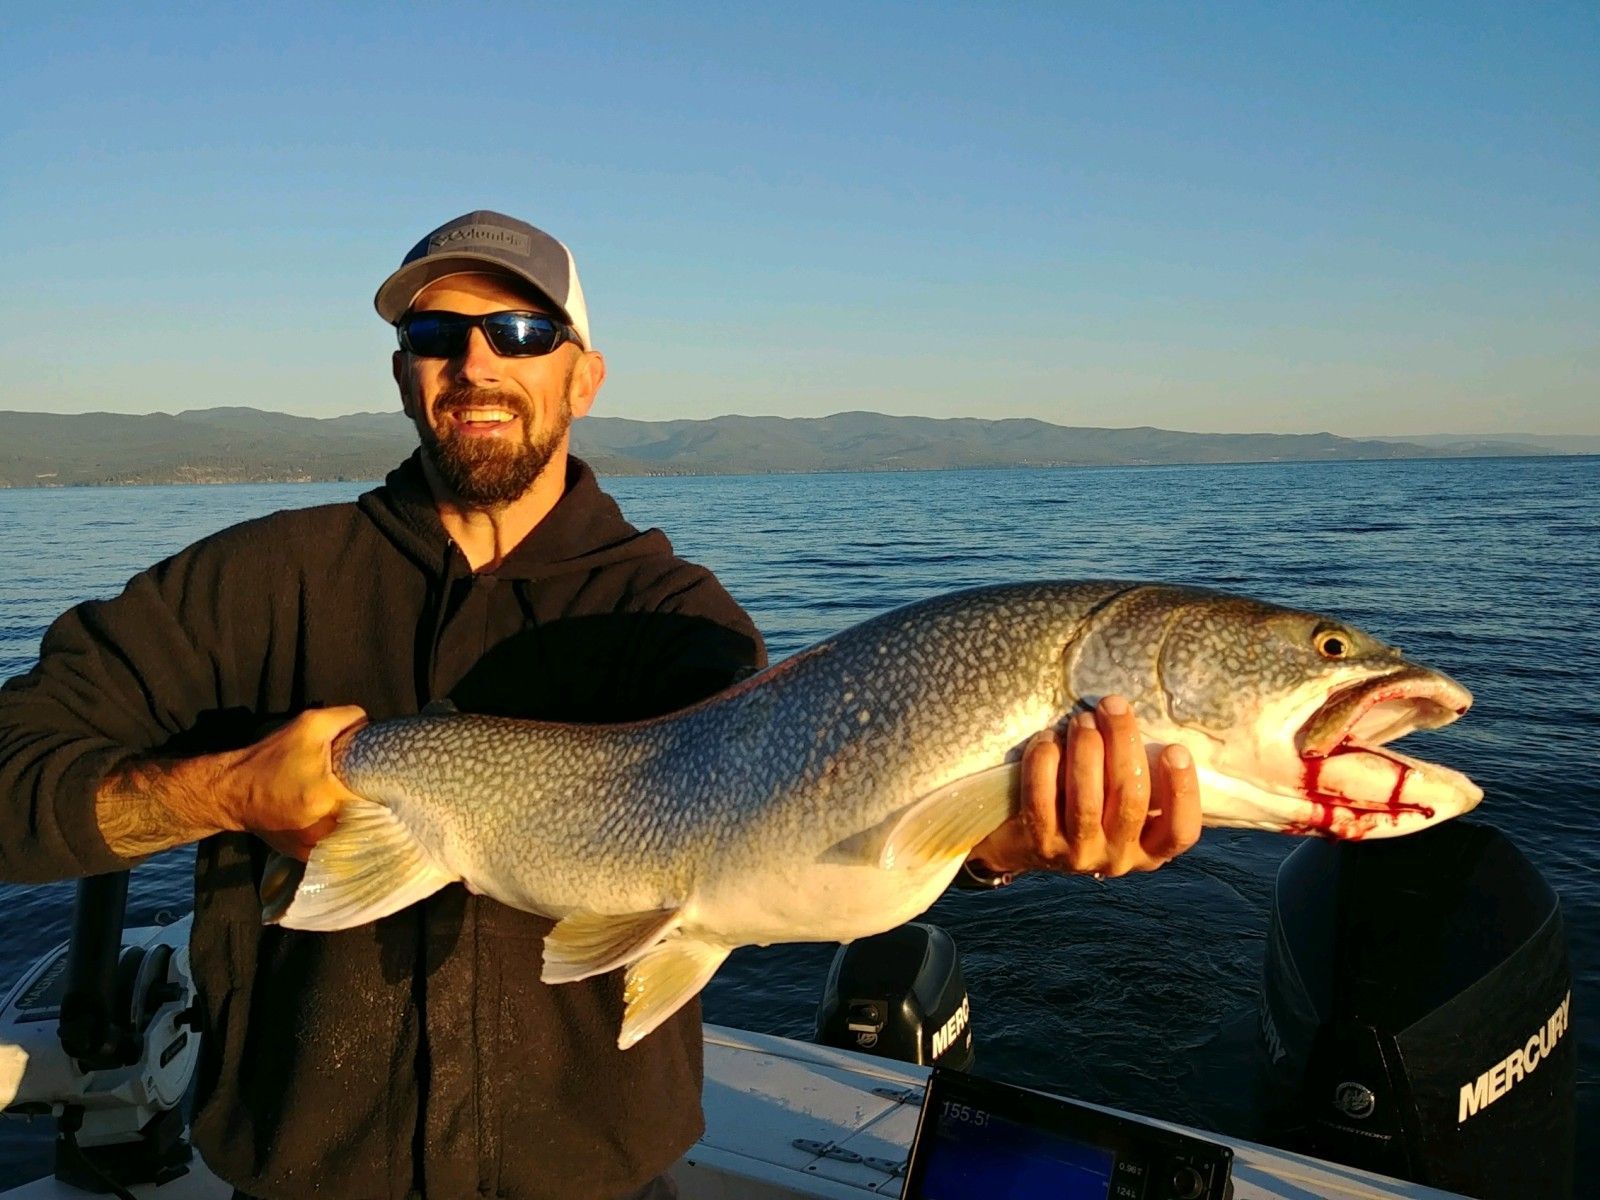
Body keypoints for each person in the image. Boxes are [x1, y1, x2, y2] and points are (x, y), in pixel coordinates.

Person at [0, 210, 1201, 1200]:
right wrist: (217, 791)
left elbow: (789, 830)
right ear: (402, 370)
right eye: (438, 331)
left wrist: (990, 838)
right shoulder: (249, 584)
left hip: (597, 1178)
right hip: (292, 1175)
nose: (477, 361)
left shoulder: (679, 622)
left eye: (520, 330)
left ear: (583, 373)